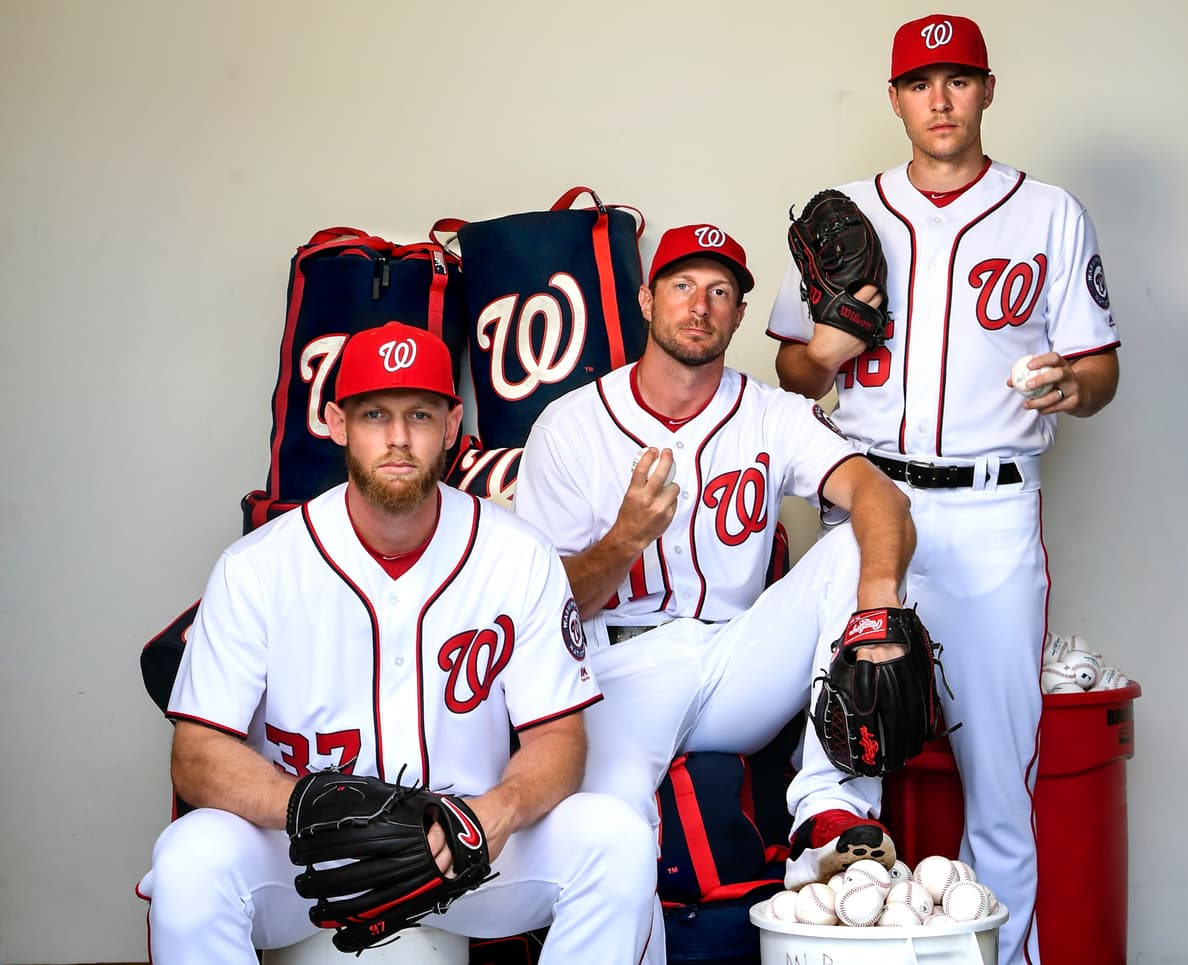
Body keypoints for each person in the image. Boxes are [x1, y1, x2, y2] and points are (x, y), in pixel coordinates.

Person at [767, 14, 1121, 965]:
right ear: (894, 98)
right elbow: (796, 373)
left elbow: (1100, 372)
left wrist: (1069, 385)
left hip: (993, 507)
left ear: (988, 90)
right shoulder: (845, 209)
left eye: (958, 79)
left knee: (1000, 781)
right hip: (867, 513)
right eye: (921, 83)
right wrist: (827, 349)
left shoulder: (1048, 212)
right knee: (843, 759)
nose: (939, 99)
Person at [137, 321, 658, 964]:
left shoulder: (519, 556)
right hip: (309, 851)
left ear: (451, 423)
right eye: (374, 413)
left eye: (419, 413)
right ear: (335, 421)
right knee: (190, 858)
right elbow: (196, 754)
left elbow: (559, 739)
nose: (398, 437)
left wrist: (494, 813)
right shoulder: (257, 566)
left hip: (463, 849)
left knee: (616, 838)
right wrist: (302, 802)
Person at [513, 223, 919, 936]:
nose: (699, 305)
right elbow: (553, 609)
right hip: (617, 671)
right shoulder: (570, 425)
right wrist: (627, 538)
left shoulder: (771, 412)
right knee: (613, 845)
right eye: (682, 286)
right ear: (647, 300)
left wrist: (877, 606)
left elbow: (880, 495)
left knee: (858, 542)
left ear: (738, 314)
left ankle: (830, 814)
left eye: (720, 291)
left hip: (737, 659)